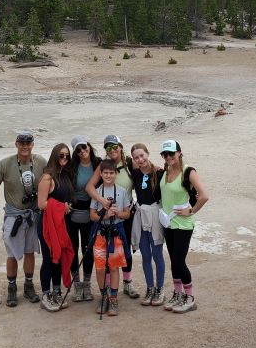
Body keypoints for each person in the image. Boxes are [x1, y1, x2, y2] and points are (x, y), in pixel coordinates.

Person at [0, 130, 45, 307]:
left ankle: (28, 285)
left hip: (33, 214)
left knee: (29, 251)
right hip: (13, 214)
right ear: (16, 144)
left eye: (28, 143)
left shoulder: (40, 162)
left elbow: (50, 181)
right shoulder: (5, 164)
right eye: (22, 143)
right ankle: (11, 287)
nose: (25, 146)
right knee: (11, 253)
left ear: (32, 144)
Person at [85, 134, 139, 299]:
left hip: (125, 212)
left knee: (126, 250)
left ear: (121, 147)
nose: (112, 150)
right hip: (106, 212)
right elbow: (89, 187)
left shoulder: (129, 163)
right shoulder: (103, 165)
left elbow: (146, 169)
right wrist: (101, 201)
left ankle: (128, 283)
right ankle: (108, 287)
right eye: (108, 148)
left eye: (115, 146)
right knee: (108, 252)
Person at [158, 139, 208, 313]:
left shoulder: (188, 172)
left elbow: (204, 196)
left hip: (183, 224)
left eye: (171, 153)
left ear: (179, 153)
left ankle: (189, 297)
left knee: (179, 261)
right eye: (165, 154)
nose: (168, 157)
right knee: (173, 261)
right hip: (168, 222)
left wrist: (192, 211)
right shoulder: (165, 171)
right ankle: (178, 294)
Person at [90, 159, 131, 316]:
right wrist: (106, 215)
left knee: (114, 267)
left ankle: (113, 298)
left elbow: (127, 214)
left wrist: (118, 213)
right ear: (100, 174)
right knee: (100, 268)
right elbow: (92, 215)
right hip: (100, 234)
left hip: (115, 233)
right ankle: (103, 296)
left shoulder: (121, 191)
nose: (108, 175)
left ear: (116, 174)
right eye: (105, 173)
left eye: (111, 173)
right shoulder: (97, 192)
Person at [37, 142, 75, 312]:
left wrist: (68, 207)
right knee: (48, 258)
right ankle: (46, 295)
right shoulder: (47, 177)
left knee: (58, 257)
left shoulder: (65, 175)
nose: (65, 158)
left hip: (62, 223)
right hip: (47, 224)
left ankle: (57, 291)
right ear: (54, 156)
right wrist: (62, 207)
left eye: (67, 155)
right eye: (61, 155)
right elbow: (41, 204)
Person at [130, 142, 166, 306]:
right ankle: (149, 288)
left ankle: (160, 289)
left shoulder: (159, 173)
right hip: (141, 214)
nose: (140, 159)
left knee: (157, 254)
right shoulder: (135, 173)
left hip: (155, 215)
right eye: (136, 157)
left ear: (148, 154)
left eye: (142, 155)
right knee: (145, 254)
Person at [67, 135, 101, 302]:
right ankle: (77, 285)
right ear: (75, 152)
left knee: (88, 249)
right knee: (73, 249)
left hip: (92, 211)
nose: (82, 151)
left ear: (89, 146)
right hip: (72, 212)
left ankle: (87, 284)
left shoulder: (98, 163)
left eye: (84, 147)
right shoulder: (71, 167)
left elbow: (117, 166)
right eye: (78, 150)